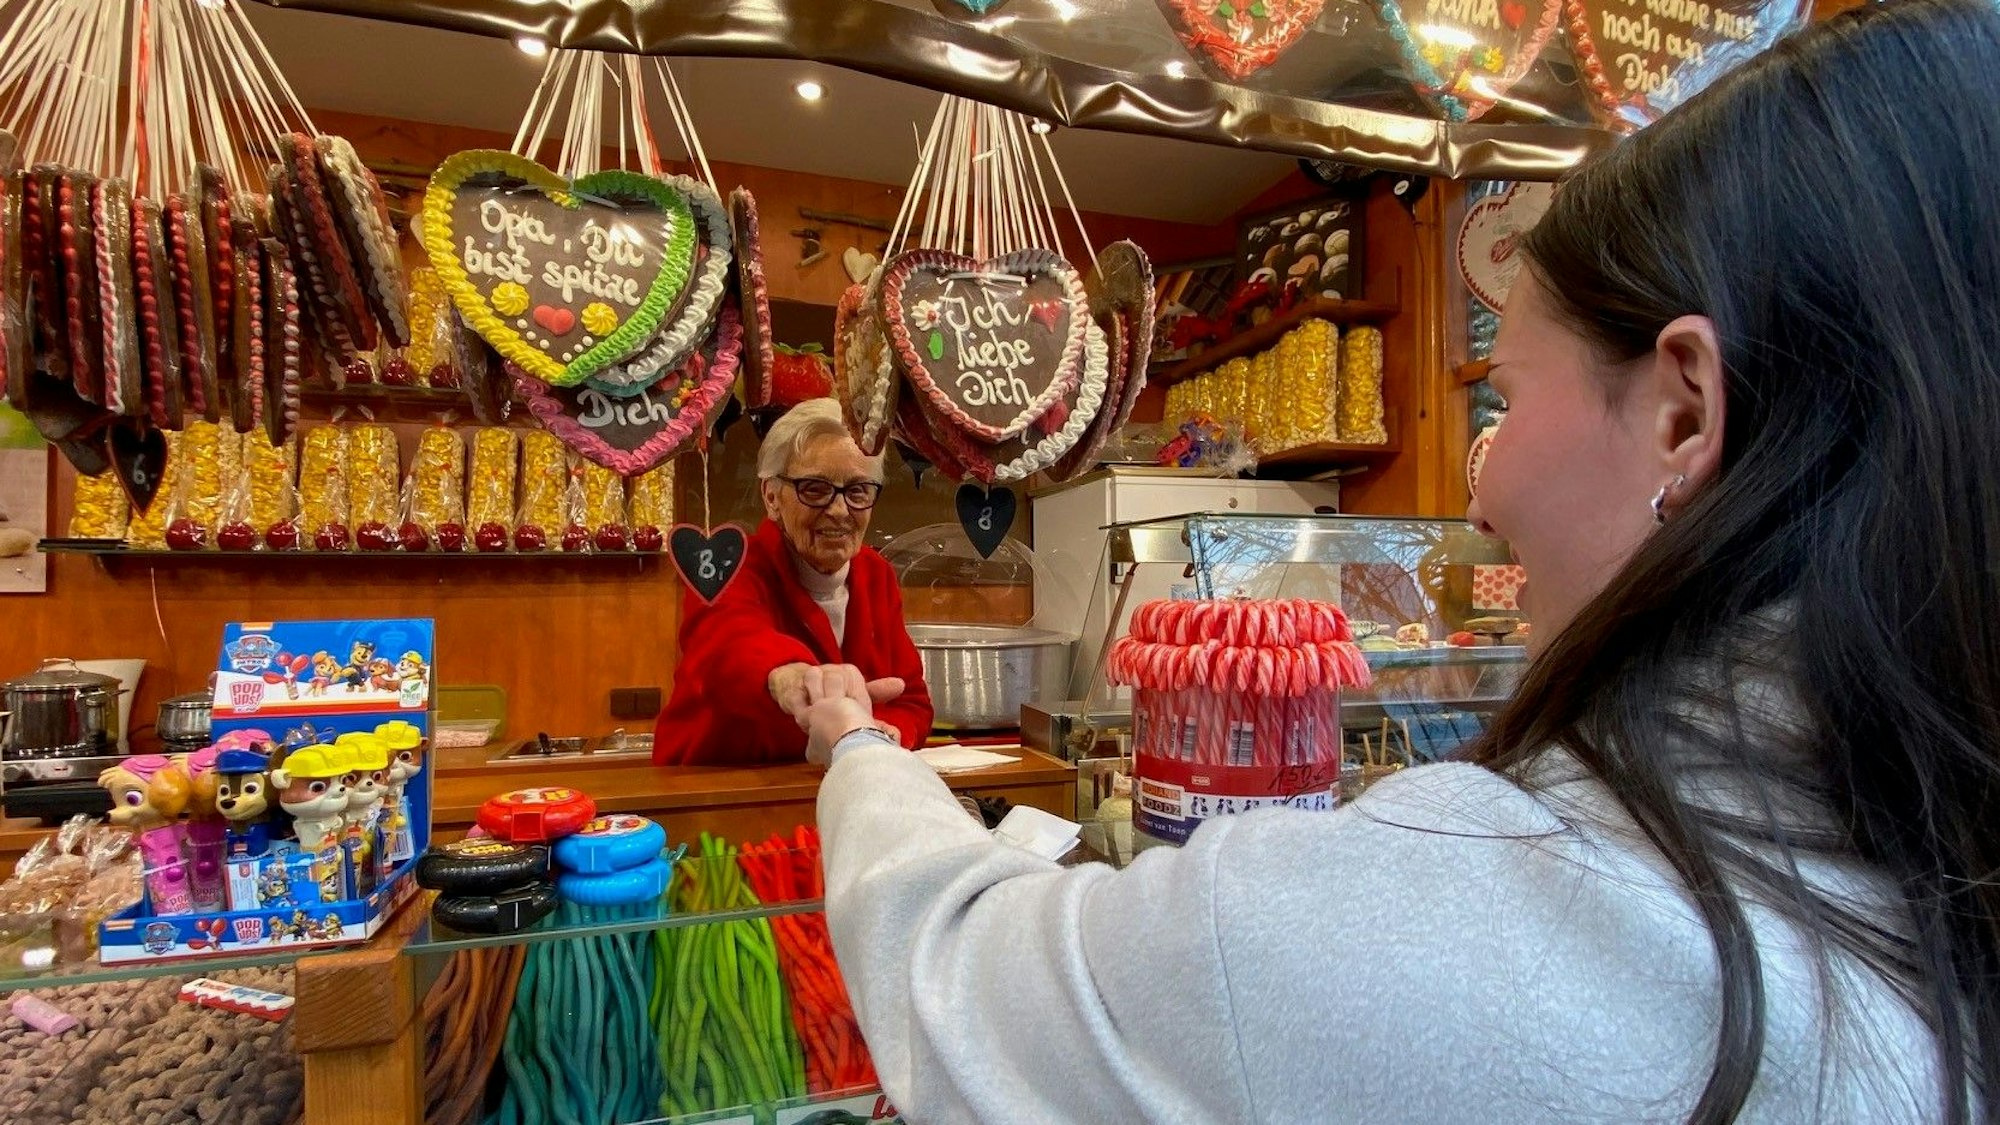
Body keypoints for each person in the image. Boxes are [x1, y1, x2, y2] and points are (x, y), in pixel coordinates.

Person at [795, 5, 1997, 1121]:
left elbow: (960, 985)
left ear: (1683, 414)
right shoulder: (1921, 870)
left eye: (1508, 398)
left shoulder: (1452, 916)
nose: (1484, 481)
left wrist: (856, 752)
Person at [653, 399, 930, 765]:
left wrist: (886, 733)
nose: (839, 509)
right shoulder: (728, 565)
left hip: (833, 792)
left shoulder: (876, 573)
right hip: (720, 793)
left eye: (858, 490)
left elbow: (910, 702)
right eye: (814, 489)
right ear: (772, 497)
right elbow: (727, 642)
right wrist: (789, 676)